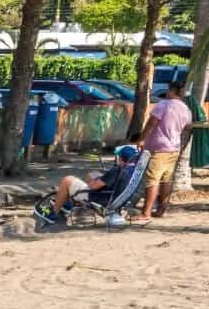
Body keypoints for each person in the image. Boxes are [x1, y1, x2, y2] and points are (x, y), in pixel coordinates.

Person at [138, 80, 193, 223]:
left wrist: (142, 139)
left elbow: (151, 123)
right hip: (174, 148)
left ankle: (146, 212)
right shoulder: (185, 109)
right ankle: (162, 209)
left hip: (160, 148)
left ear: (171, 90)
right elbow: (187, 127)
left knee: (152, 179)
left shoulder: (163, 105)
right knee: (166, 180)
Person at [48, 141, 142, 222]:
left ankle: (54, 213)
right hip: (114, 197)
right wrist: (98, 177)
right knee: (92, 174)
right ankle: (67, 204)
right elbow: (109, 180)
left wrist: (92, 181)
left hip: (99, 198)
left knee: (67, 180)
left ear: (121, 158)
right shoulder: (133, 172)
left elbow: (93, 187)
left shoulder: (118, 170)